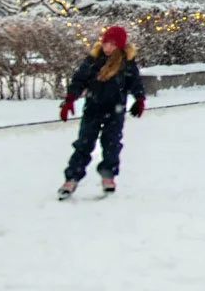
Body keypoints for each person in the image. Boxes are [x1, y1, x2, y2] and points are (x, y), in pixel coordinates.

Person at [57, 25, 146, 199]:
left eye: (112, 45)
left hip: (115, 111)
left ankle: (108, 175)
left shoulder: (126, 63)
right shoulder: (93, 61)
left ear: (119, 46)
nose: (108, 48)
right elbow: (79, 80)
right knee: (84, 143)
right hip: (93, 109)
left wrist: (139, 98)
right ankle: (72, 178)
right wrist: (69, 99)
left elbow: (135, 82)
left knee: (111, 143)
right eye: (106, 44)